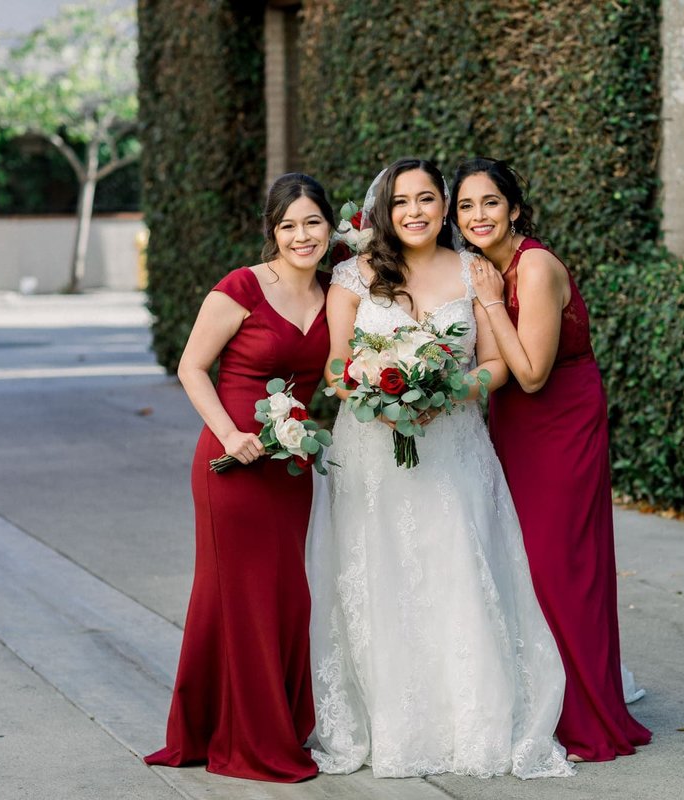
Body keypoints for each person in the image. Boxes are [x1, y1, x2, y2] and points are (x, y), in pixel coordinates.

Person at [307, 157, 573, 780]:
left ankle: (469, 721)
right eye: (402, 202)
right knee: (380, 575)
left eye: (428, 199)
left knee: (456, 568)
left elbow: (495, 363)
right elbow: (333, 366)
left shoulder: (474, 270)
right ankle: (389, 723)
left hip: (452, 445)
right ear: (384, 212)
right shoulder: (351, 275)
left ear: (443, 208)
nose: (416, 212)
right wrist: (376, 394)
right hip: (373, 449)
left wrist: (444, 394)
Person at [453, 157, 652, 762]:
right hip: (514, 422)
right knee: (522, 561)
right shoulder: (481, 267)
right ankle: (544, 694)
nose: (477, 216)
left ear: (514, 208)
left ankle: (584, 713)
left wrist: (489, 304)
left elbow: (533, 374)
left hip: (559, 417)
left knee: (558, 564)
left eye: (490, 203)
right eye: (465, 206)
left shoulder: (532, 267)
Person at [145, 173, 334, 782]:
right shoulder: (242, 288)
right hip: (232, 462)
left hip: (291, 467)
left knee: (286, 596)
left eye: (311, 222)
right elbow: (192, 367)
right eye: (288, 225)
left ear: (330, 226)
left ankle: (258, 722)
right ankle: (242, 737)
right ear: (271, 232)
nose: (301, 236)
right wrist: (231, 434)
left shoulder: (339, 293)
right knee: (237, 596)